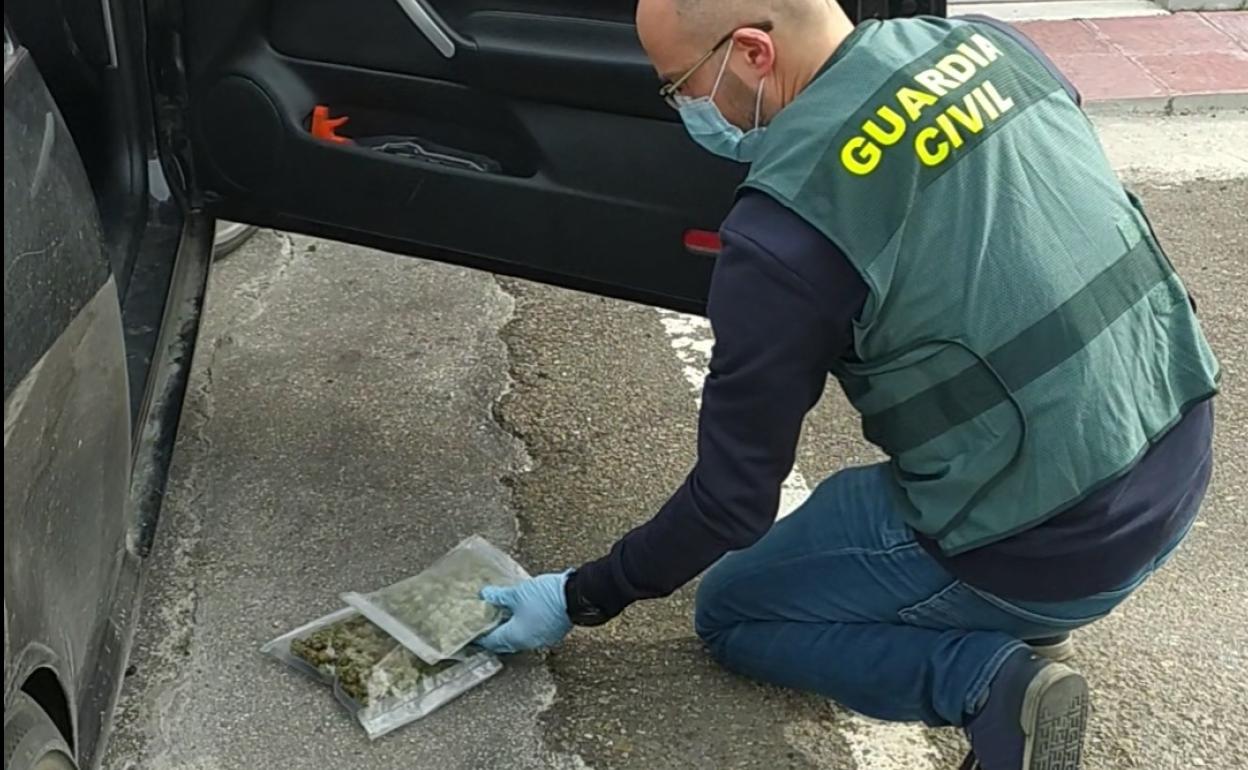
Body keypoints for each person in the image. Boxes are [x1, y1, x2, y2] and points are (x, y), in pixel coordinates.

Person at [476, 1, 1221, 768]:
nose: (684, 110)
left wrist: (581, 596)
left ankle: (984, 676)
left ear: (753, 54)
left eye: (680, 87)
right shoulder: (984, 44)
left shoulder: (786, 233)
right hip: (1179, 454)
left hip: (1047, 544)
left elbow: (729, 503)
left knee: (733, 611)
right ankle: (1017, 609)